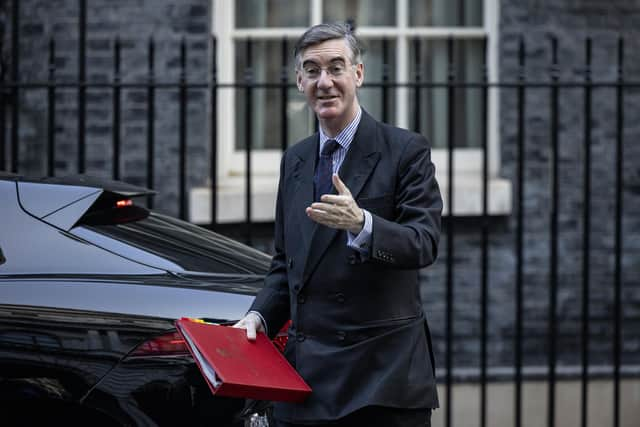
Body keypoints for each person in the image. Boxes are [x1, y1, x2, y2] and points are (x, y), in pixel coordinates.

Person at [234, 22, 442, 427]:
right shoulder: (294, 160)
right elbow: (286, 262)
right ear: (299, 81)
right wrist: (257, 317)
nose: (324, 82)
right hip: (307, 379)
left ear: (358, 74)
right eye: (312, 71)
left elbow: (423, 243)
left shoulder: (405, 150)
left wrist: (362, 223)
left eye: (336, 67)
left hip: (382, 379)